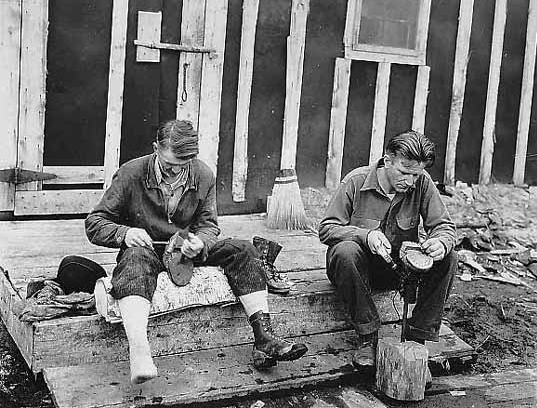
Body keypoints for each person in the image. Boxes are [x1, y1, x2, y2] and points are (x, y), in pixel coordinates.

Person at [85, 119, 307, 384]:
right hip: (146, 252)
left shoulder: (203, 175)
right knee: (134, 258)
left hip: (187, 254)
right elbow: (95, 223)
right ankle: (140, 350)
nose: (172, 173)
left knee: (243, 248)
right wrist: (126, 233)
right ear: (156, 148)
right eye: (168, 166)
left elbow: (209, 226)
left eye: (181, 167)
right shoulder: (131, 173)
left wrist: (200, 241)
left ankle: (264, 337)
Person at [318, 130, 457, 368]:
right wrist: (365, 235)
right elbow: (327, 229)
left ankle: (417, 342)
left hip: (399, 269)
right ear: (387, 159)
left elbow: (444, 226)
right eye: (404, 172)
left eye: (416, 174)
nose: (410, 181)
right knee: (345, 251)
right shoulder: (356, 181)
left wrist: (441, 242)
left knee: (450, 258)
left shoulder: (422, 183)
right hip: (357, 270)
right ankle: (368, 338)